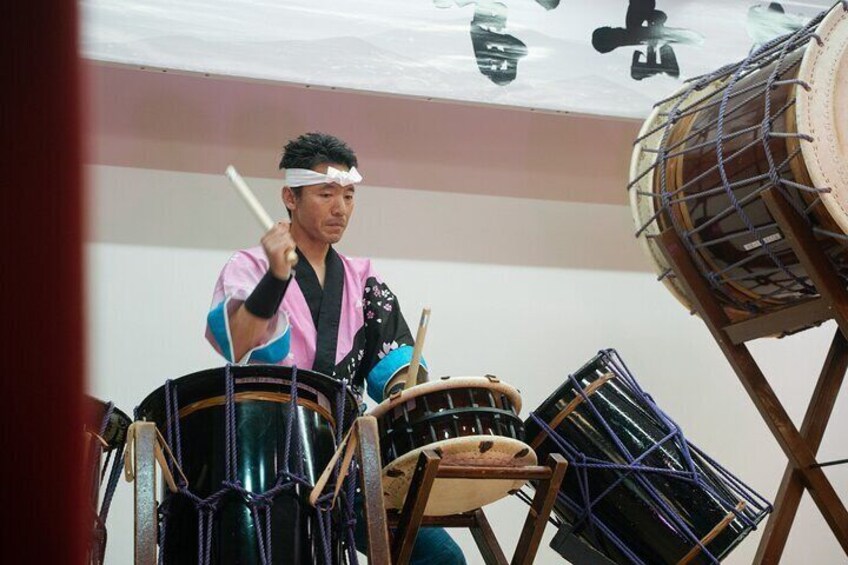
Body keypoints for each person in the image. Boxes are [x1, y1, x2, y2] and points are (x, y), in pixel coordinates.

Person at [205, 132, 466, 564]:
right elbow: (236, 342)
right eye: (326, 193)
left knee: (440, 557)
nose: (340, 208)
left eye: (348, 195)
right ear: (290, 196)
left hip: (345, 461)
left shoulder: (362, 279)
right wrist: (274, 277)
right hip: (270, 457)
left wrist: (412, 393)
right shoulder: (248, 267)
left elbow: (396, 367)